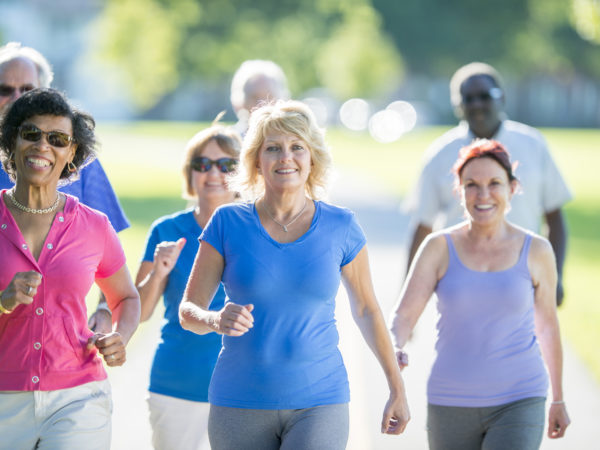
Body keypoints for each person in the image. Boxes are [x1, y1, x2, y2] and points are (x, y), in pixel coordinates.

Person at [179, 100, 410, 450]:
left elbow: (367, 310)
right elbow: (188, 312)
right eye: (273, 148)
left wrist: (396, 387)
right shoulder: (227, 223)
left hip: (320, 400)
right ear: (257, 160)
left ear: (312, 157)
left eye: (296, 147)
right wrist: (214, 318)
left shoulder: (341, 225)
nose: (285, 157)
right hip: (239, 400)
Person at [391, 139, 570, 449]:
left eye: (495, 183)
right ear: (458, 191)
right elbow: (405, 314)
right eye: (472, 184)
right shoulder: (438, 247)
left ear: (513, 188)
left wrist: (558, 398)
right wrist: (395, 344)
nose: (483, 194)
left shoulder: (537, 250)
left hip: (520, 397)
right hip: (449, 399)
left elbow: (548, 326)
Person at [0, 88, 140, 449]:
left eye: (57, 139)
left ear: (72, 152)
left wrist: (119, 337)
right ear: (12, 140)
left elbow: (125, 296)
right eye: (31, 134)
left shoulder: (94, 225)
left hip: (78, 398)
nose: (42, 146)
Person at [406, 62, 572, 305]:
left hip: (522, 280)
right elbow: (422, 226)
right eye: (468, 98)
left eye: (485, 96)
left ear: (501, 98)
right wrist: (408, 295)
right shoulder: (439, 154)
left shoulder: (533, 145)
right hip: (459, 284)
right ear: (457, 104)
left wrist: (554, 278)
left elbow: (554, 218)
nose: (477, 104)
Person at [135, 124, 241, 449]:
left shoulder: (259, 228)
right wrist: (159, 272)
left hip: (243, 388)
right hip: (176, 383)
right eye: (202, 164)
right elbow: (138, 312)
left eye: (226, 165)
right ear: (190, 172)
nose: (213, 173)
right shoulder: (166, 230)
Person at [230, 59, 290, 134]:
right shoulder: (230, 141)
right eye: (254, 97)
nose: (262, 104)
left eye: (269, 97)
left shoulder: (292, 139)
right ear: (242, 102)